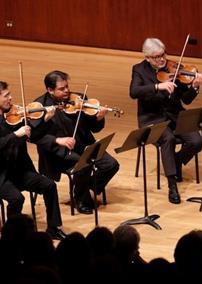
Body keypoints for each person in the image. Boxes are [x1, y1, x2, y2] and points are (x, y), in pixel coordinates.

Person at [130, 38, 202, 204]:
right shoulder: (139, 70)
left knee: (197, 141)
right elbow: (134, 92)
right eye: (156, 57)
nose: (162, 59)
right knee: (168, 139)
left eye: (163, 54)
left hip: (175, 115)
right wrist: (158, 86)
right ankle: (172, 186)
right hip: (152, 118)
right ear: (147, 57)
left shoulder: (175, 68)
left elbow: (186, 100)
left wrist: (195, 87)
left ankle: (176, 161)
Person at [33, 71, 119, 214]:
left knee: (111, 165)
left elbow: (94, 128)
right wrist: (57, 139)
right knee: (83, 166)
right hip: (58, 152)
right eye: (61, 89)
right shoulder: (40, 106)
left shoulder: (80, 99)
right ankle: (81, 199)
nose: (67, 90)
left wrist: (99, 118)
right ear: (50, 90)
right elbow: (35, 136)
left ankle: (86, 190)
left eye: (67, 86)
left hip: (83, 145)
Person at [0, 81, 66, 240]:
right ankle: (11, 236)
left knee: (49, 185)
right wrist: (15, 135)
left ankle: (53, 227)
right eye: (6, 95)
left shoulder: (15, 115)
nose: (11, 98)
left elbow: (33, 136)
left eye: (10, 94)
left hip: (20, 170)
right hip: (1, 175)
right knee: (17, 198)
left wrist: (45, 120)